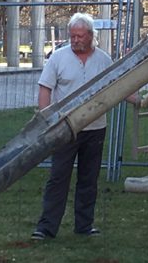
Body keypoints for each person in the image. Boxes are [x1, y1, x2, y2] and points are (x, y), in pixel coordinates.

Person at [32, 13, 115, 239]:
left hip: (95, 127)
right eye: (72, 36)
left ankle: (84, 226)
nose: (75, 40)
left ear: (90, 36)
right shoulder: (57, 58)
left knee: (89, 178)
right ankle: (46, 228)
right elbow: (45, 88)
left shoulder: (104, 60)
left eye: (80, 36)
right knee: (58, 177)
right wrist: (45, 117)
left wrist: (140, 100)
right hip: (64, 128)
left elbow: (118, 85)